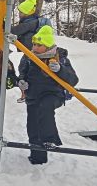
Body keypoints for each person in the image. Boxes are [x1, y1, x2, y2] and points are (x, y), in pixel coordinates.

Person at [17, 25, 78, 165]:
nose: (35, 47)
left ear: (48, 46)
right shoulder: (28, 57)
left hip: (53, 94)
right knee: (32, 126)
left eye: (39, 45)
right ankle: (37, 157)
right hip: (33, 95)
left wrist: (60, 70)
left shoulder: (59, 58)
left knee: (45, 108)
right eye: (34, 44)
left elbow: (73, 80)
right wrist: (21, 82)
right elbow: (22, 74)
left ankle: (50, 139)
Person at [11, 0, 40, 103]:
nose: (19, 14)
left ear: (27, 13)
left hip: (32, 52)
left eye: (21, 12)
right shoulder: (31, 20)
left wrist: (4, 25)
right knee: (23, 71)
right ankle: (25, 94)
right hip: (30, 52)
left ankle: (26, 95)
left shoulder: (30, 23)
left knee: (24, 71)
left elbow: (15, 30)